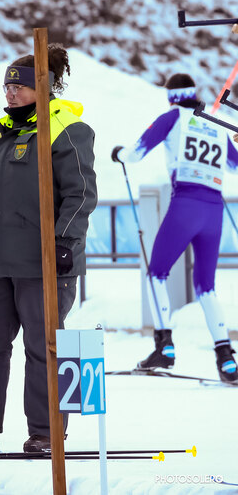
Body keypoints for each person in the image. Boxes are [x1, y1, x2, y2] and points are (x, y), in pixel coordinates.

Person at [0, 44, 97, 454]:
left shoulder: (67, 129)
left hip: (44, 262)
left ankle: (46, 431)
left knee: (44, 348)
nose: (10, 92)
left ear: (41, 87)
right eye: (7, 86)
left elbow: (80, 193)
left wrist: (65, 241)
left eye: (19, 86)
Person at [111, 73, 238, 383]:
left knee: (157, 273)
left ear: (171, 97)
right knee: (206, 286)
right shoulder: (215, 124)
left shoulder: (172, 118)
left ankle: (164, 346)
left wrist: (118, 154)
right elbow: (235, 165)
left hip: (185, 205)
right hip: (213, 211)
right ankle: (226, 359)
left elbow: (136, 153)